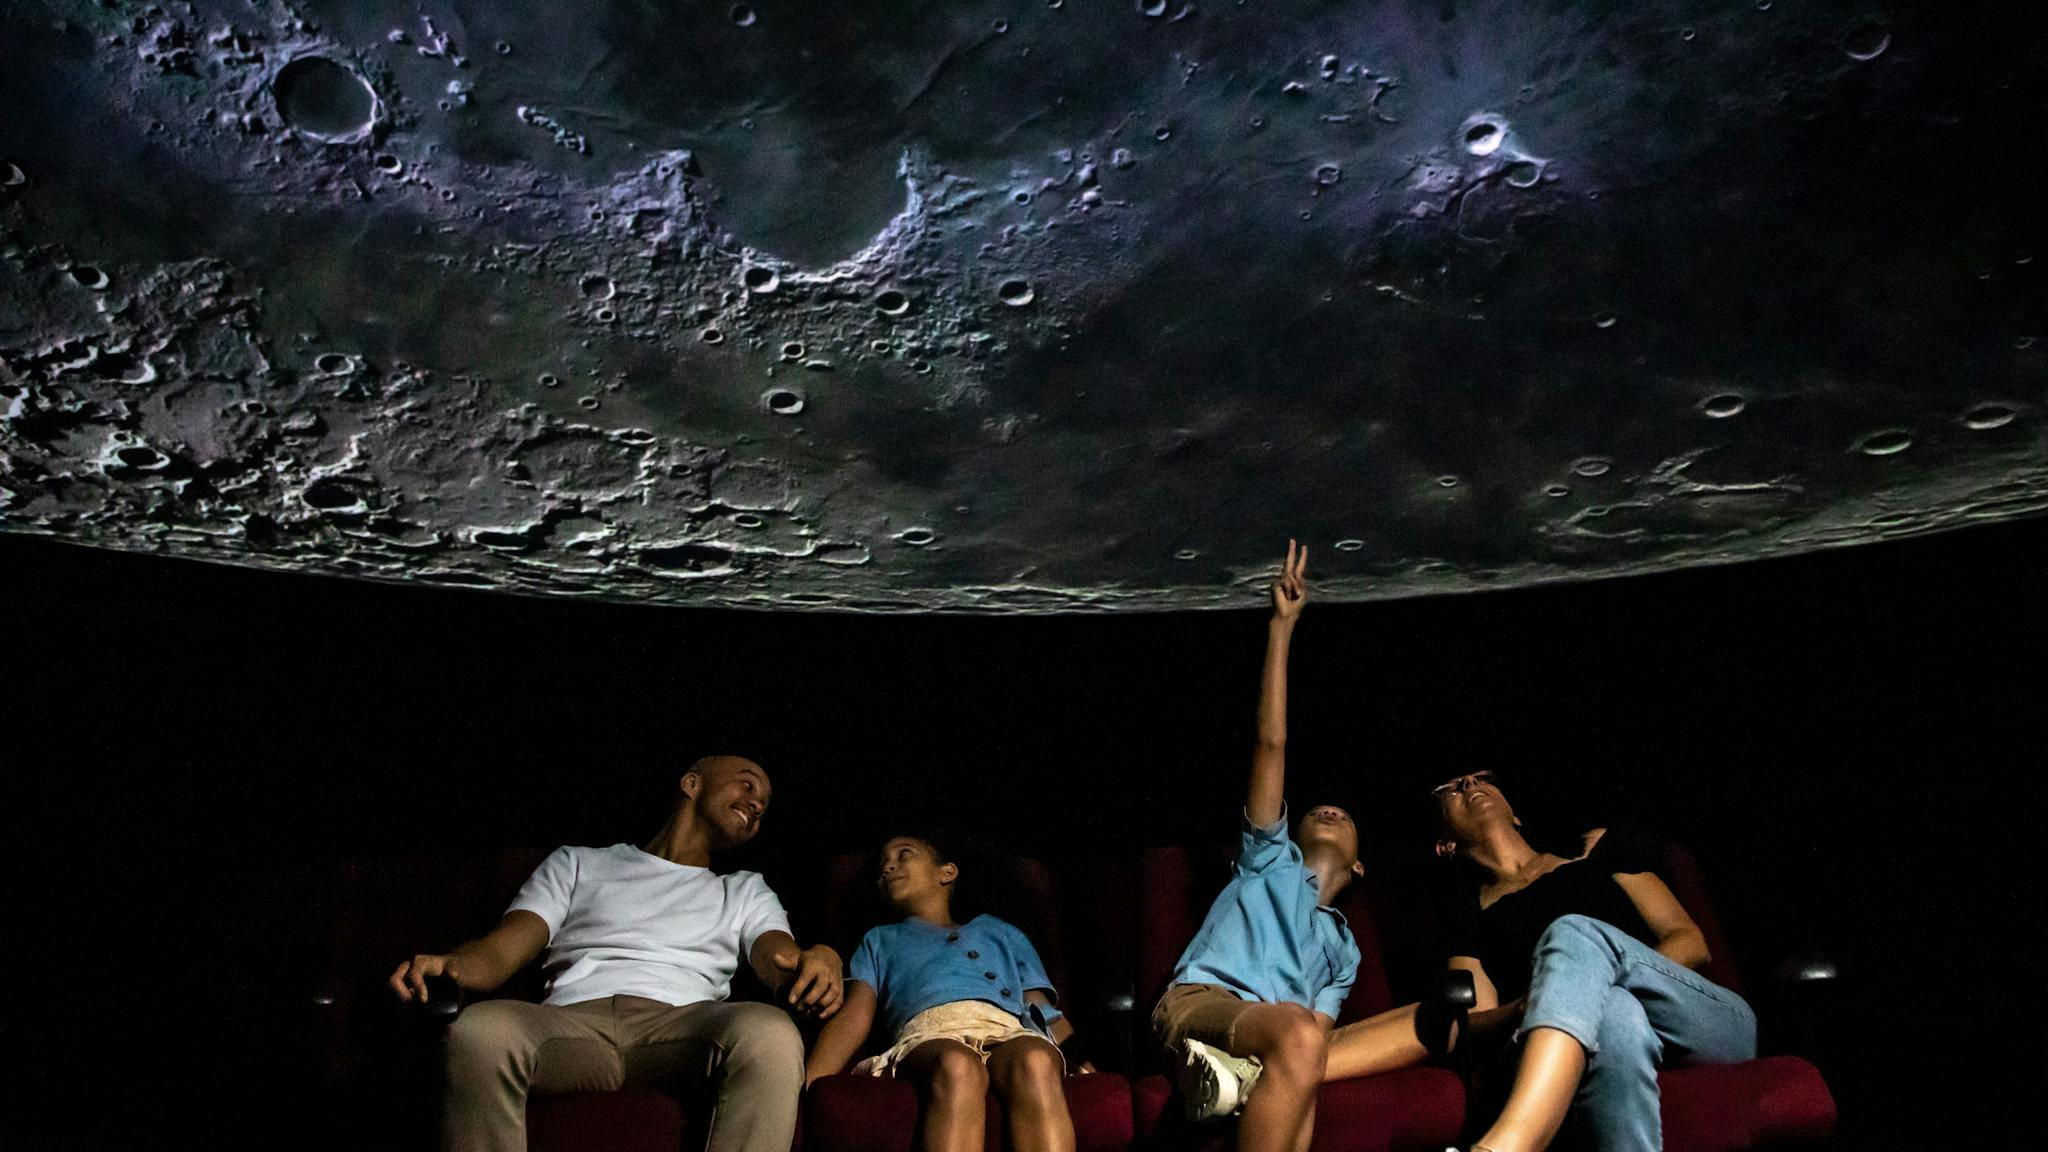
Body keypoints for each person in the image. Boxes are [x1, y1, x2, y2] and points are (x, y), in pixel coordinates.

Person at [388, 754, 845, 1152]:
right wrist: (453, 964)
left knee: (770, 1033)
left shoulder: (744, 888)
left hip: (683, 1029)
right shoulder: (579, 862)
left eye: (764, 802)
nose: (757, 801)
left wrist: (815, 958)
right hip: (572, 1026)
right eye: (747, 783)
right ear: (692, 783)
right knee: (480, 1031)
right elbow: (502, 950)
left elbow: (778, 957)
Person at [1430, 770, 1757, 1152]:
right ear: (1445, 845)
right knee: (1616, 1014)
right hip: (1590, 1036)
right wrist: (1548, 1001)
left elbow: (1689, 941)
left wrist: (1588, 978)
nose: (1470, 785)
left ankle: (1509, 1143)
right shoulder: (1469, 911)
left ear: (1516, 814)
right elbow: (1478, 1019)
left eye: (1483, 777)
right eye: (1451, 788)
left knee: (1575, 933)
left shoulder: (1597, 857)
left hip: (1702, 1021)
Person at [804, 831, 1083, 1152]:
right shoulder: (878, 940)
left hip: (1007, 1028)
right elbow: (855, 1016)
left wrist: (1077, 1057)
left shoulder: (999, 931)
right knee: (957, 1067)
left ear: (946, 872)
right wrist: (809, 1081)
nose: (888, 867)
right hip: (929, 1032)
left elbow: (1040, 1007)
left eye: (904, 854)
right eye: (882, 864)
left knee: (1035, 1060)